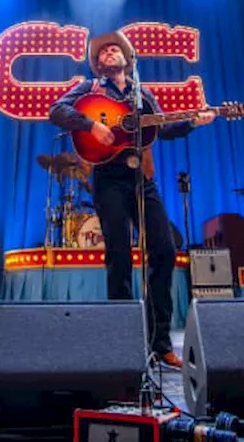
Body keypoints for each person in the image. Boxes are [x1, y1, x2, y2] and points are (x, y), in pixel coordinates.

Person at [50, 30, 214, 368]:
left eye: (115, 50)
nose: (109, 53)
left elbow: (162, 129)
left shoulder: (144, 95)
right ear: (97, 64)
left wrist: (194, 123)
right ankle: (123, 343)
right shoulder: (91, 88)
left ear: (128, 59)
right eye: (103, 52)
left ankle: (161, 343)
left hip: (140, 178)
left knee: (165, 250)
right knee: (119, 256)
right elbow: (57, 110)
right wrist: (91, 124)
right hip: (108, 178)